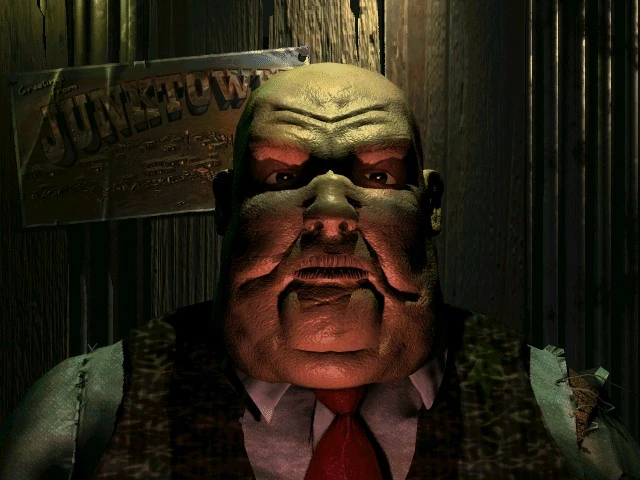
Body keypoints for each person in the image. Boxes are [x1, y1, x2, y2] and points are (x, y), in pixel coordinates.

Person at [1, 62, 639, 480]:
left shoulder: (559, 419)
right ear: (226, 206)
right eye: (282, 177)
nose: (331, 214)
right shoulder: (84, 420)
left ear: (430, 207)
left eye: (379, 176)